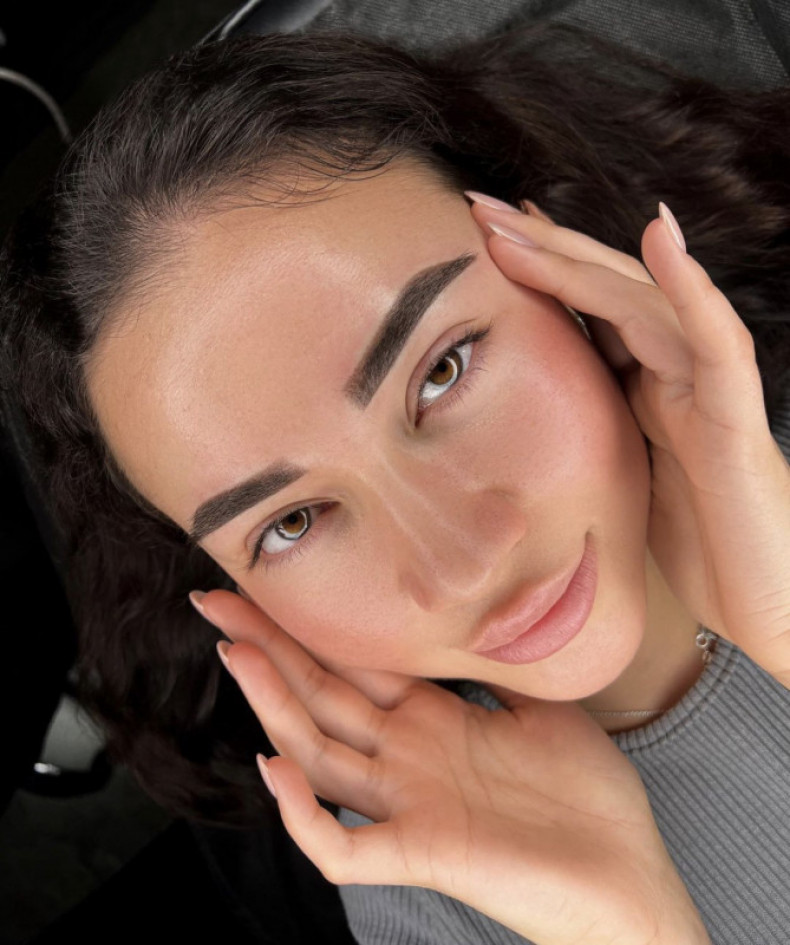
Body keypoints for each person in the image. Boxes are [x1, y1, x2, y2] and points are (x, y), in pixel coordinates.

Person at [1, 20, 789, 945]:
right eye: (294, 521)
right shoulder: (435, 894)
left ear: (555, 261)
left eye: (442, 372)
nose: (465, 564)